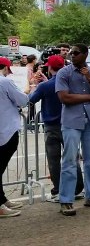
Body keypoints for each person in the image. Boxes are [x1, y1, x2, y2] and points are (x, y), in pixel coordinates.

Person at [55, 44, 90, 216]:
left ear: (85, 54)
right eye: (71, 53)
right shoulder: (64, 73)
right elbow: (64, 97)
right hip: (71, 122)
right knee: (70, 161)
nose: (72, 56)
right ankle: (66, 200)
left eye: (76, 53)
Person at [28, 55, 84, 203]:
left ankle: (58, 190)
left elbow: (31, 99)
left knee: (54, 160)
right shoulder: (69, 83)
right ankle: (77, 188)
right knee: (73, 158)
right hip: (69, 124)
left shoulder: (45, 86)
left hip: (51, 126)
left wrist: (33, 84)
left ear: (50, 67)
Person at [0, 57, 29, 218]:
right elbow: (22, 100)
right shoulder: (5, 82)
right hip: (6, 130)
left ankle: (2, 199)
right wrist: (27, 89)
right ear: (5, 68)